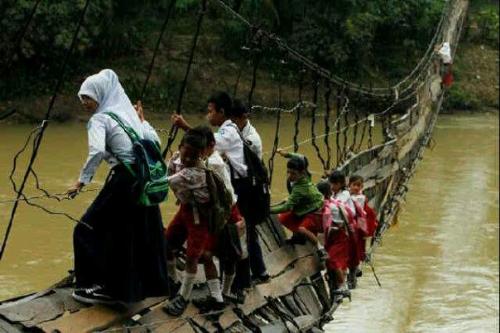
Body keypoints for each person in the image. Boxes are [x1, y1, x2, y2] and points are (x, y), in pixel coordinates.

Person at [68, 69, 169, 305]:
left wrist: (81, 181)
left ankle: (93, 286)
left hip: (123, 181)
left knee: (86, 229)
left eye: (88, 97)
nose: (84, 103)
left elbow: (97, 151)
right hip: (142, 181)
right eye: (81, 98)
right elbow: (155, 142)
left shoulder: (100, 119)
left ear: (100, 95)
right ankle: (129, 289)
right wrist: (143, 120)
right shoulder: (128, 116)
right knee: (129, 233)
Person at [171, 92, 269, 301]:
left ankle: (239, 287)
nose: (208, 116)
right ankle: (238, 284)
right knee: (239, 237)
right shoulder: (232, 130)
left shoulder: (228, 133)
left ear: (222, 112)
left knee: (236, 239)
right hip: (239, 187)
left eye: (210, 111)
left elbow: (206, 143)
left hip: (241, 190)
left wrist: (185, 126)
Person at [163, 130, 219, 316]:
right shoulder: (178, 158)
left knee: (192, 256)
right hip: (185, 209)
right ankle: (172, 280)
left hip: (199, 217)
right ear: (179, 148)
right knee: (167, 243)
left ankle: (184, 297)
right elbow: (168, 171)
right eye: (185, 153)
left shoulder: (196, 173)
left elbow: (162, 183)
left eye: (194, 156)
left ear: (202, 154)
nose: (188, 159)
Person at [271, 151, 324, 246]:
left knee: (302, 228)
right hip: (305, 205)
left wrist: (267, 210)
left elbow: (286, 207)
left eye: (293, 174)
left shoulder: (300, 188)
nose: (289, 176)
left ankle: (320, 248)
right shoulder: (304, 174)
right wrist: (286, 154)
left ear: (302, 172)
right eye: (288, 172)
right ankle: (300, 236)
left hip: (314, 210)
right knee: (283, 219)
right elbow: (302, 156)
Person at [328, 170, 360, 289]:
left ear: (341, 184)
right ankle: (340, 282)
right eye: (331, 184)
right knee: (338, 259)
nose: (332, 187)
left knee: (335, 259)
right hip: (335, 231)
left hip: (344, 231)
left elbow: (336, 208)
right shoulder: (334, 194)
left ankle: (342, 285)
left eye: (335, 184)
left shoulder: (345, 195)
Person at [348, 174, 378, 264]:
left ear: (362, 187)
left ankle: (354, 267)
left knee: (357, 246)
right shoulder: (347, 196)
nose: (356, 188)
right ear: (349, 185)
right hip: (352, 224)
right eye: (354, 185)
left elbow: (361, 216)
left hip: (358, 226)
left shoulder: (360, 198)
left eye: (359, 186)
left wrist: (363, 231)